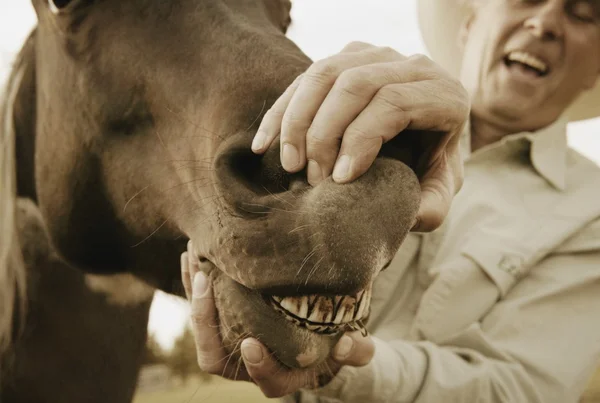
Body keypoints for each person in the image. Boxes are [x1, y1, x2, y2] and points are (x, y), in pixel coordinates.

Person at [181, 0, 600, 401]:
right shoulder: (358, 111)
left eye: (585, 13)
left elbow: (523, 389)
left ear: (595, 69)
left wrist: (348, 367)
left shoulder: (590, 211)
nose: (543, 23)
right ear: (468, 25)